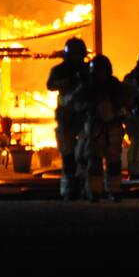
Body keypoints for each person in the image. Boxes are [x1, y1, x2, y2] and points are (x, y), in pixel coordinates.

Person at [72, 54, 126, 202]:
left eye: (102, 71)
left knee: (114, 162)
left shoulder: (115, 85)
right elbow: (76, 103)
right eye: (97, 71)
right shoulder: (87, 87)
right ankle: (94, 191)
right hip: (94, 129)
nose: (100, 74)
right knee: (94, 161)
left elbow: (126, 100)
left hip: (113, 127)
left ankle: (114, 190)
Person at [47, 37, 90, 200]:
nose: (77, 58)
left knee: (85, 154)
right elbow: (50, 85)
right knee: (68, 156)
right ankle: (69, 189)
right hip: (66, 117)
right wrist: (69, 82)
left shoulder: (88, 70)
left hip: (85, 117)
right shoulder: (59, 70)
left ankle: (86, 186)